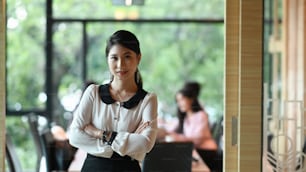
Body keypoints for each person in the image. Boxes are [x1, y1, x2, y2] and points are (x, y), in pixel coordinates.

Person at [68, 30, 158, 172]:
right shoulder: (93, 93)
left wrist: (100, 133)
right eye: (114, 58)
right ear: (107, 59)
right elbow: (74, 136)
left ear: (138, 58)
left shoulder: (148, 100)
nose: (120, 64)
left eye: (127, 56)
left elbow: (145, 144)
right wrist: (127, 143)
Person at [166, 81, 221, 171]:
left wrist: (175, 136)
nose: (179, 104)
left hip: (207, 153)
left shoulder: (201, 115)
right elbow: (170, 127)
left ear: (191, 99)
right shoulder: (186, 117)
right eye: (178, 101)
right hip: (197, 151)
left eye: (182, 99)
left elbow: (197, 140)